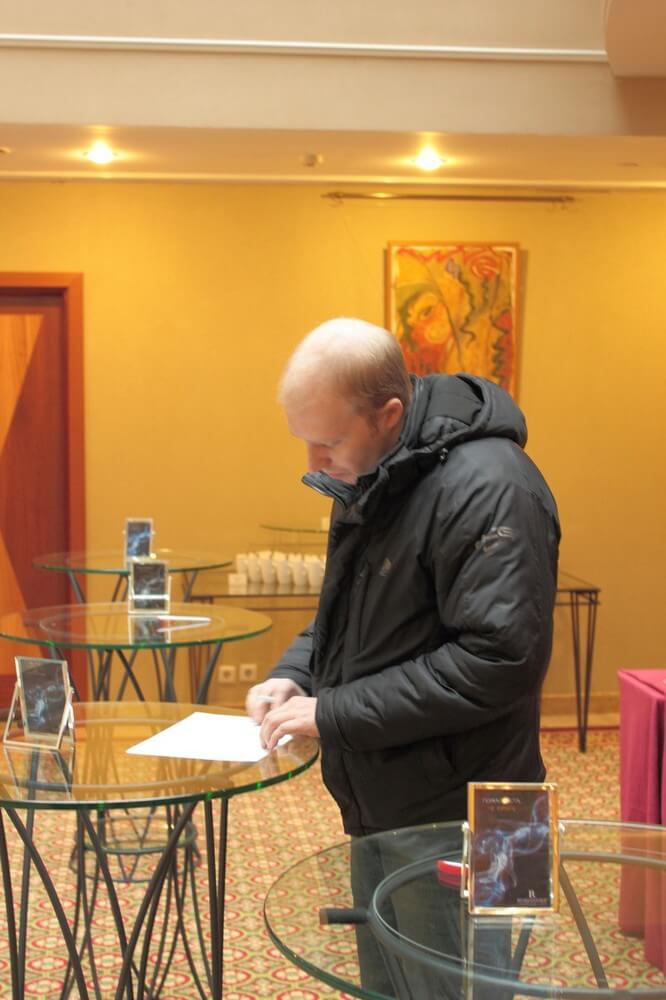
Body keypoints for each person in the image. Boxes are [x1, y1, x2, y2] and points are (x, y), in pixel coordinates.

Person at [246, 317, 560, 996]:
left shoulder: (495, 486)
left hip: (487, 812)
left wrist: (332, 712)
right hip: (395, 795)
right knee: (391, 984)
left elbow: (499, 661)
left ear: (389, 413)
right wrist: (294, 674)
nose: (313, 462)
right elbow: (349, 614)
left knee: (468, 988)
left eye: (328, 441)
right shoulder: (378, 468)